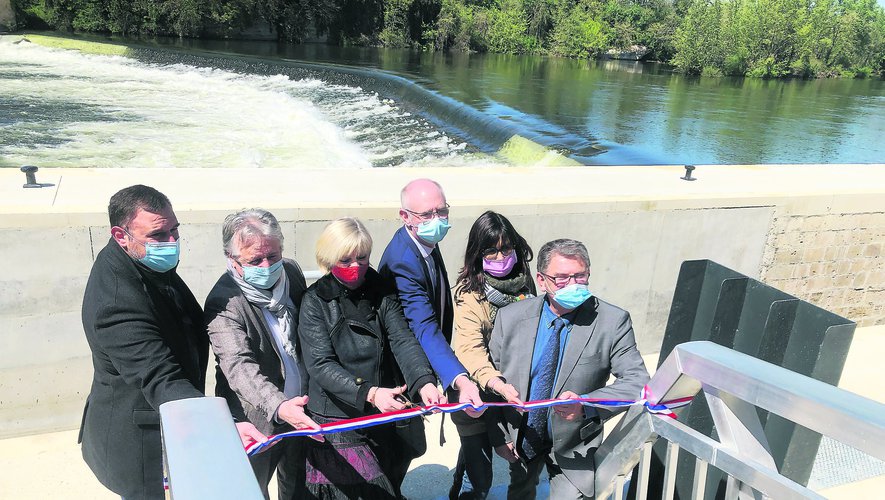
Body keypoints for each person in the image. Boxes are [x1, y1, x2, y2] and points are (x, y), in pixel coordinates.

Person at [80, 185, 266, 500]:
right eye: (158, 235)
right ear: (121, 235)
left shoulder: (140, 260)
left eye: (174, 230)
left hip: (168, 424)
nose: (171, 242)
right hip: (141, 442)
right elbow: (159, 376)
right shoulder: (116, 302)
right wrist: (218, 426)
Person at [489, 238, 650, 499]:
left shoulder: (612, 321)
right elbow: (490, 376)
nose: (573, 285)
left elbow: (638, 382)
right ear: (541, 281)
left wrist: (585, 404)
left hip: (575, 444)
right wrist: (499, 435)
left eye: (580, 276)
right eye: (562, 278)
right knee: (520, 490)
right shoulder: (511, 318)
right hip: (523, 435)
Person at [298, 217, 445, 499]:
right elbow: (320, 364)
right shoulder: (314, 301)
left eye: (362, 257)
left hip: (385, 406)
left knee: (392, 474)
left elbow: (402, 339)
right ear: (329, 259)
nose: (355, 266)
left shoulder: (382, 289)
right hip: (340, 415)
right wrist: (369, 393)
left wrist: (424, 381)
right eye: (345, 259)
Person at [204, 208, 321, 499]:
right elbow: (238, 365)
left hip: (301, 406)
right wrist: (280, 407)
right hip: (256, 419)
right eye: (255, 260)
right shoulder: (223, 302)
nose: (267, 265)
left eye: (273, 256)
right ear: (233, 260)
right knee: (251, 489)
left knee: (298, 485)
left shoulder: (291, 271)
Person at [449, 211, 537, 499]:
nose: (500, 257)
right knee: (479, 479)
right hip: (477, 393)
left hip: (513, 392)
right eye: (491, 250)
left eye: (506, 248)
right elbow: (469, 350)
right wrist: (496, 384)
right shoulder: (470, 294)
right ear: (478, 253)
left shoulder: (526, 285)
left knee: (521, 462)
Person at [377, 178, 485, 413]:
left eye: (442, 211)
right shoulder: (402, 262)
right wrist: (460, 380)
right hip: (404, 372)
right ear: (405, 216)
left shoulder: (423, 240)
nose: (436, 220)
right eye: (426, 215)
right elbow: (423, 325)